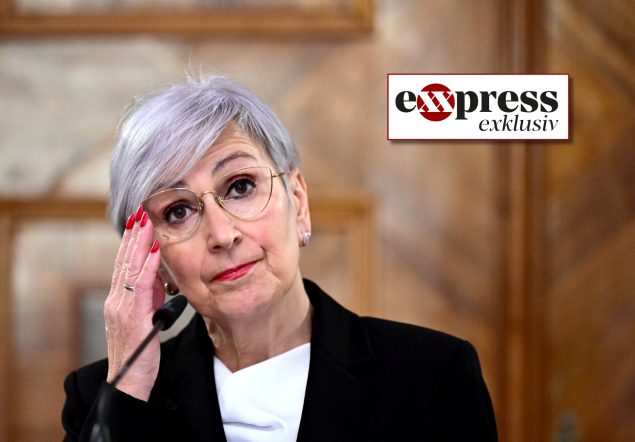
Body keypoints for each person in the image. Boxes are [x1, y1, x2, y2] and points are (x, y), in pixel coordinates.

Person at [62, 75, 498, 441]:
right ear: (152, 258)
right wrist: (129, 388)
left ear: (298, 201)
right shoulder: (102, 398)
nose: (223, 234)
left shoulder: (433, 375)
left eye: (241, 186)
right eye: (178, 211)